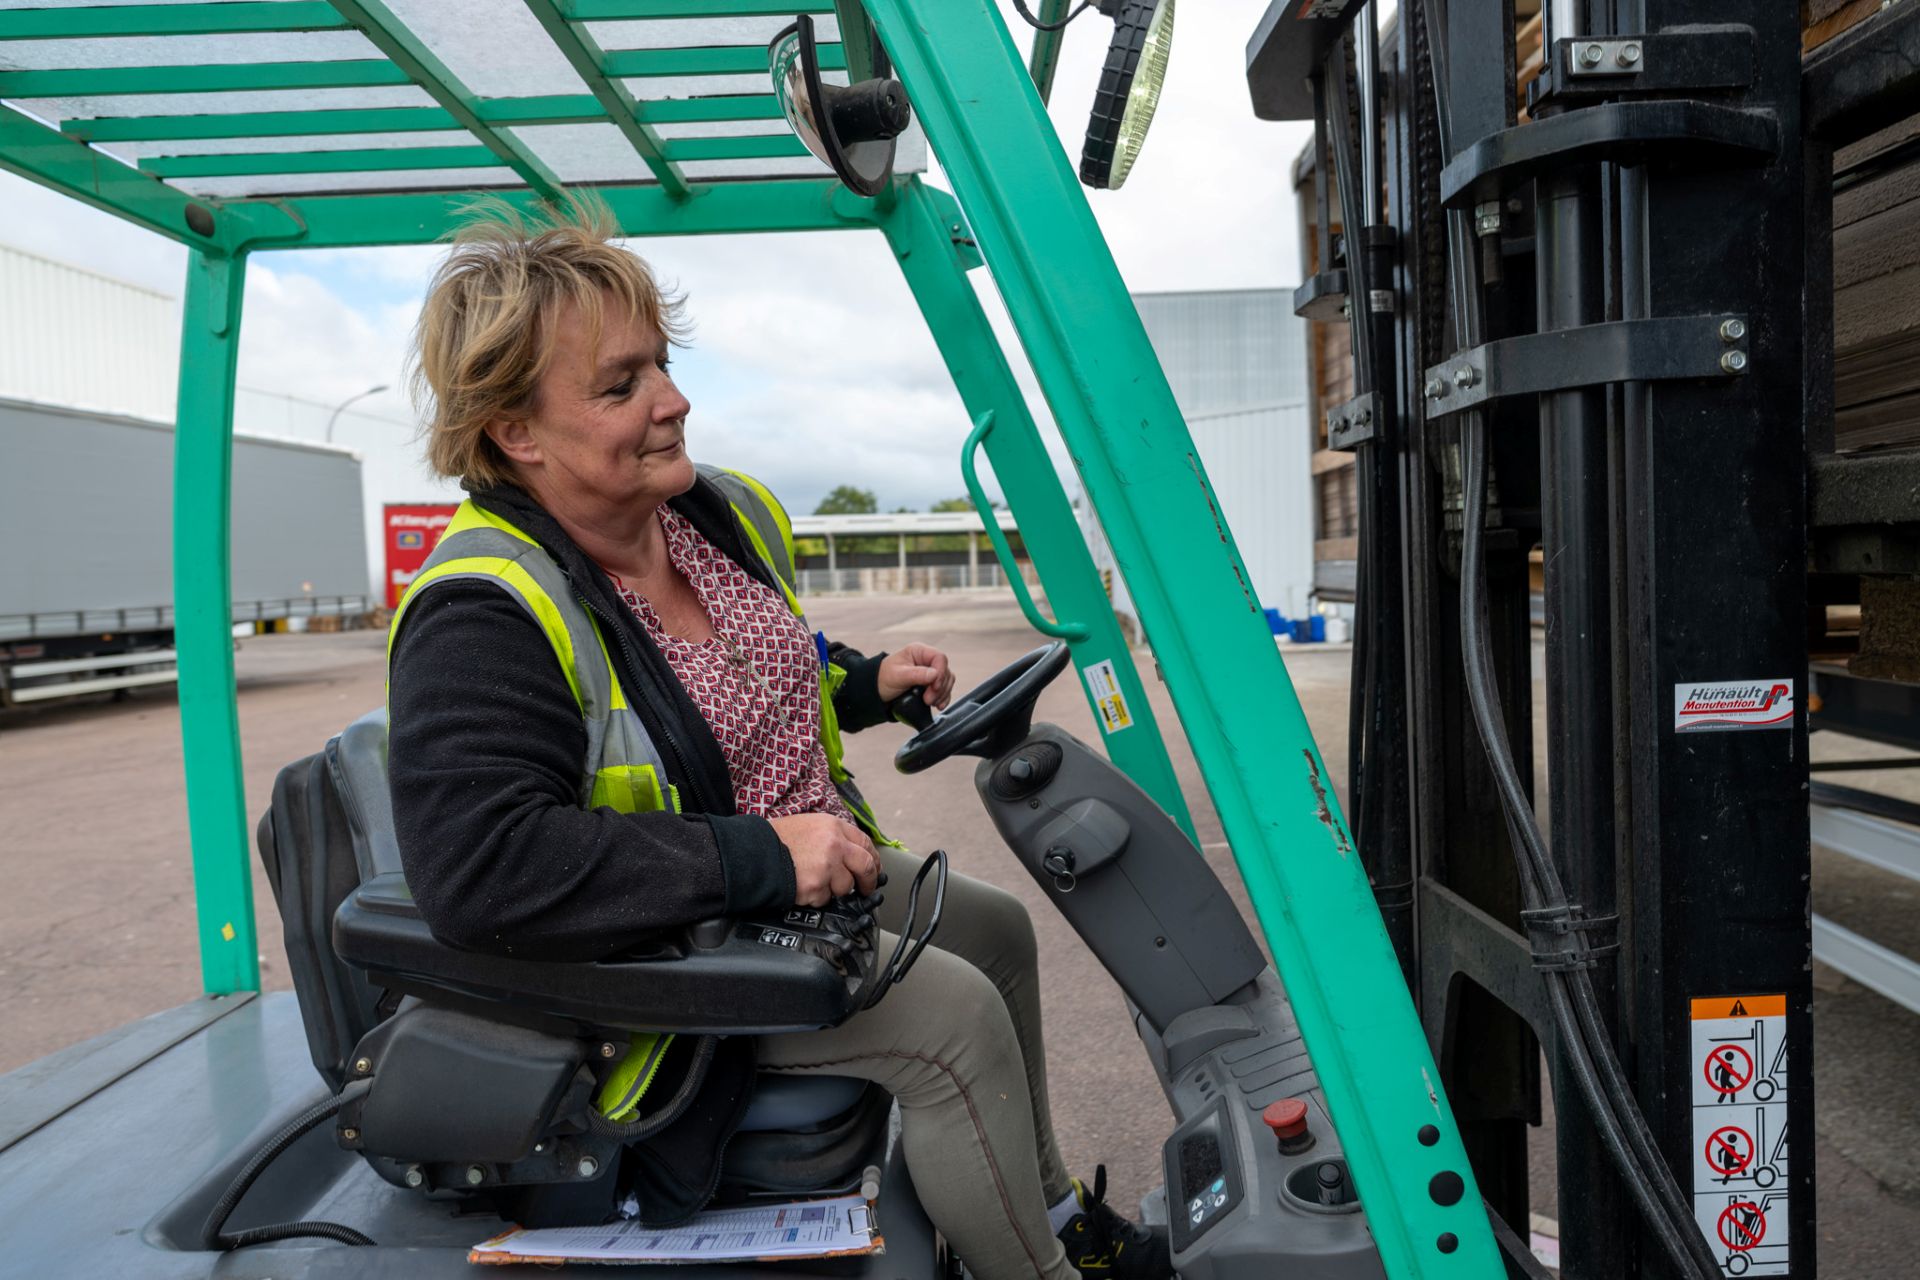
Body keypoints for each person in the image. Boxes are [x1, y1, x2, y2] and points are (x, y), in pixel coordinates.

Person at [385, 199, 1169, 1280]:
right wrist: (758, 856)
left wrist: (862, 682)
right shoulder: (484, 611)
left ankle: (1051, 1214)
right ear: (517, 432)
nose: (672, 401)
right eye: (620, 386)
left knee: (994, 928)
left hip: (790, 892)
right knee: (955, 1020)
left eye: (662, 365)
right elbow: (481, 868)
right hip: (664, 960)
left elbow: (752, 666)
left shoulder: (709, 515)